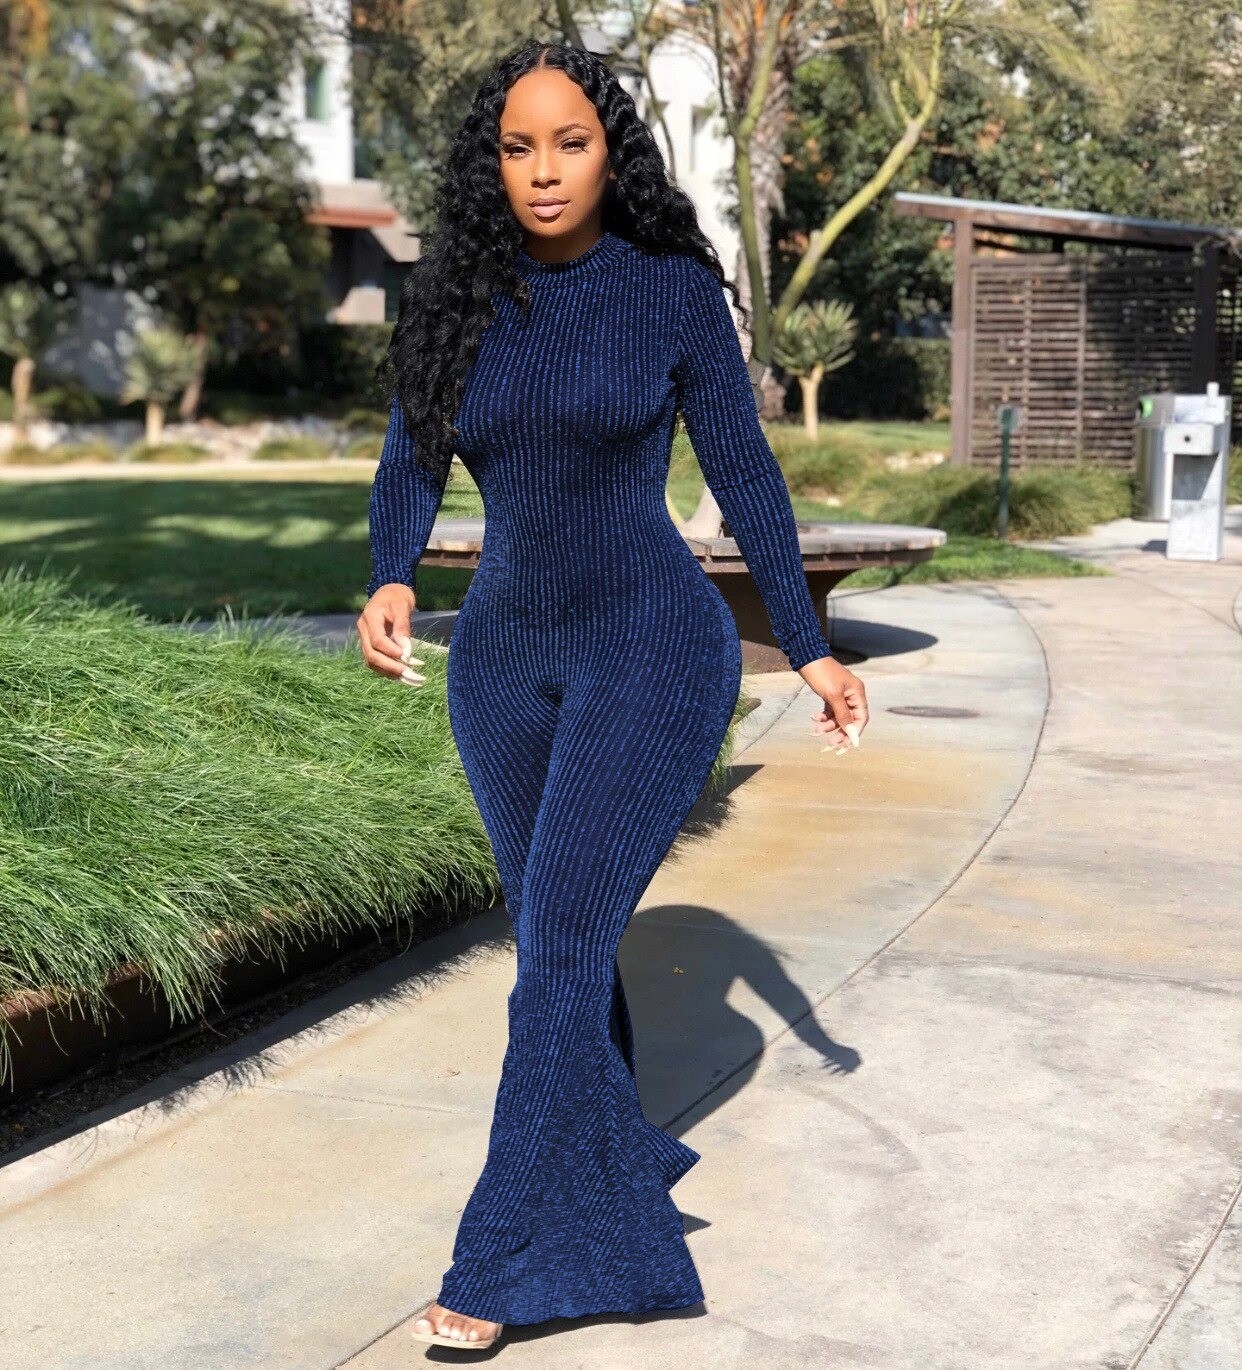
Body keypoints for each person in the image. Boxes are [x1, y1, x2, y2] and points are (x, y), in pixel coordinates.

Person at [355, 37, 868, 1354]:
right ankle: (610, 1194)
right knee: (556, 948)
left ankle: (497, 1257)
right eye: (517, 147)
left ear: (610, 152)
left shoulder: (670, 292)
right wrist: (391, 575)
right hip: (501, 664)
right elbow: (410, 458)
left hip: (652, 651)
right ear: (491, 163)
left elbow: (745, 476)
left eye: (569, 143)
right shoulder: (455, 298)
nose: (542, 170)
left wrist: (806, 642)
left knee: (564, 955)